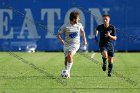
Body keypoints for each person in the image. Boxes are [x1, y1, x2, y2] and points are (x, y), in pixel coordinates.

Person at [56, 10, 87, 78]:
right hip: (66, 45)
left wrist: (85, 40)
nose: (79, 19)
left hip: (75, 44)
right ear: (73, 19)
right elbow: (58, 35)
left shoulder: (79, 25)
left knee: (70, 55)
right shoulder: (65, 26)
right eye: (78, 18)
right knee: (66, 59)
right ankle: (67, 70)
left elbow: (82, 32)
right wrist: (61, 40)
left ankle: (67, 72)